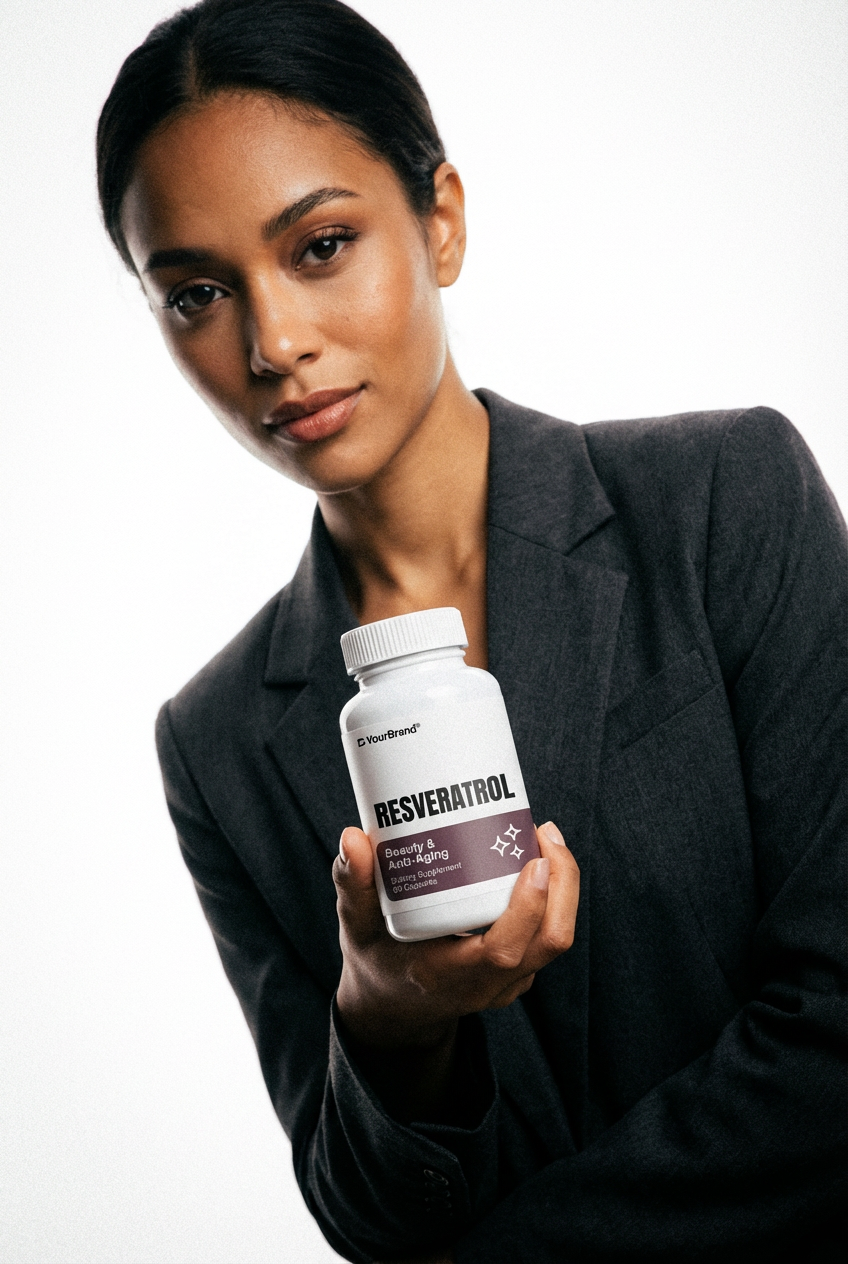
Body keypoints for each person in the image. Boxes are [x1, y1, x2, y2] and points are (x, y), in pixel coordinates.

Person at [96, 1, 846, 1260]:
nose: (273, 343)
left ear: (439, 220)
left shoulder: (722, 500)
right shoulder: (217, 740)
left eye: (321, 244)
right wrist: (386, 1021)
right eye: (197, 294)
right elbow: (364, 1213)